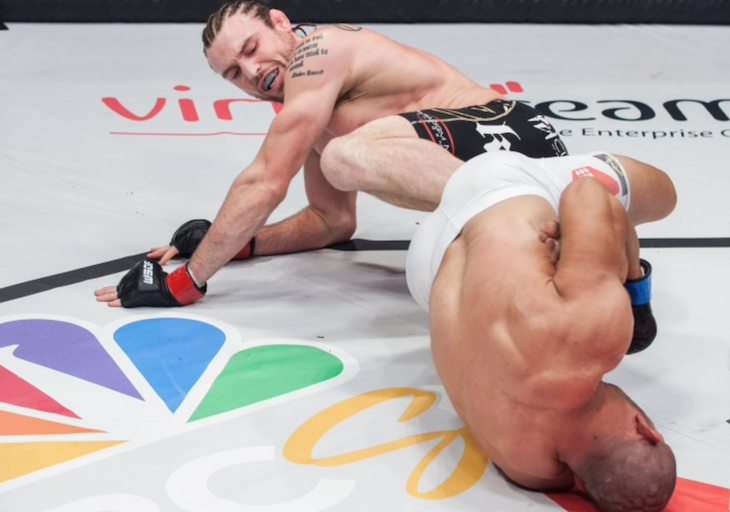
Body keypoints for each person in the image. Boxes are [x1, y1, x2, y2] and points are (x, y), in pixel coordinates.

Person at [94, 0, 568, 309]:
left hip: (509, 132)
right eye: (234, 73)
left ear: (281, 22)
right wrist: (240, 242)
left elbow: (266, 181)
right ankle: (532, 226)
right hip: (497, 161)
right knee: (341, 158)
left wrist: (186, 280)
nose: (252, 71)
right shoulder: (308, 102)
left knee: (343, 156)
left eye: (252, 48)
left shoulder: (318, 52)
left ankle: (543, 218)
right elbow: (331, 221)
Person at [405, 150, 677, 511]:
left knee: (664, 194)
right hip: (426, 273)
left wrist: (631, 286)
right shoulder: (529, 469)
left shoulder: (596, 338)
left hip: (496, 185)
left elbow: (587, 192)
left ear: (645, 429)